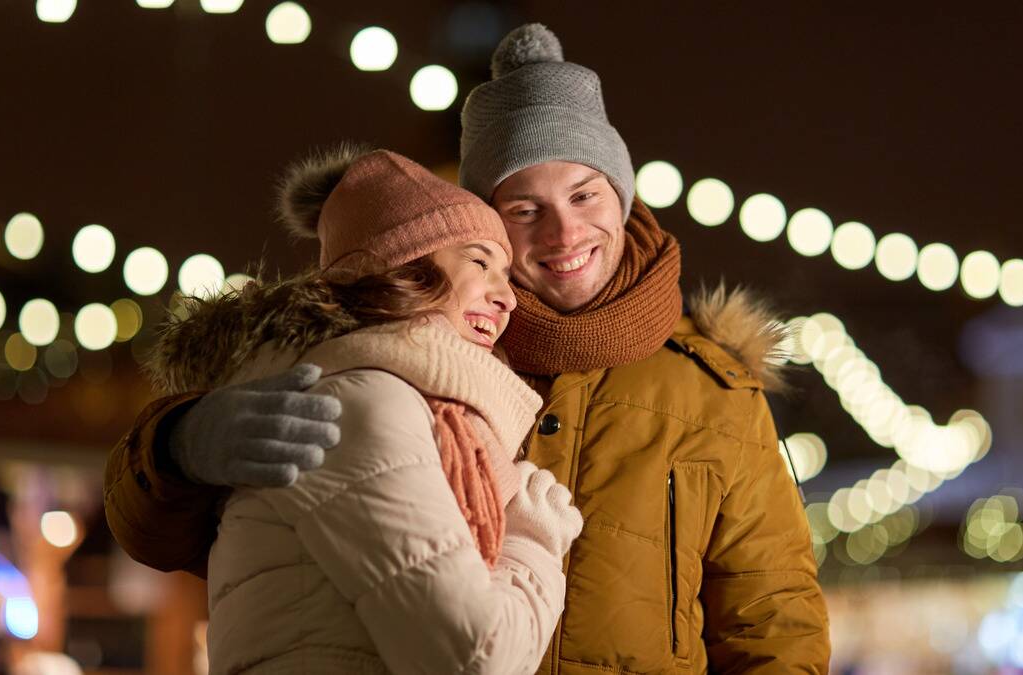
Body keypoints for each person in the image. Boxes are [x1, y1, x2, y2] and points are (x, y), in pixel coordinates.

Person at [105, 24, 830, 674]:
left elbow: (774, 622)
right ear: (476, 225)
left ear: (622, 195)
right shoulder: (403, 348)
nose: (563, 233)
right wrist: (178, 447)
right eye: (524, 208)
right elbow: (172, 537)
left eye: (584, 195)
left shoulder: (714, 390)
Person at [146, 147, 583, 674]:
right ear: (404, 265)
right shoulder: (359, 403)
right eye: (479, 261)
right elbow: (472, 659)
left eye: (506, 273)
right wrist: (533, 539)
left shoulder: (401, 399)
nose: (506, 297)